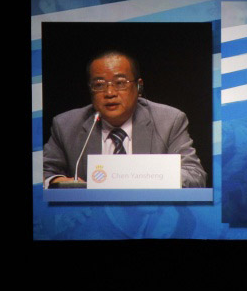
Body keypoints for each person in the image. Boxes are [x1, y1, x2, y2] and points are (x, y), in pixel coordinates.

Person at [43, 50, 207, 188]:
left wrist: (138, 177)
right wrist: (57, 181)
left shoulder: (168, 121)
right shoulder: (66, 125)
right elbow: (43, 172)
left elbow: (195, 176)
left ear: (139, 86)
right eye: (99, 84)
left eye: (120, 83)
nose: (109, 93)